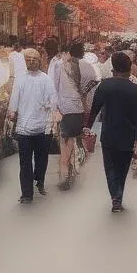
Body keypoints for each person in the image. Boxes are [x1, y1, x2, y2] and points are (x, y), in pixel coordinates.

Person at [86, 52, 137, 212]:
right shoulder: (135, 89)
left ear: (113, 68)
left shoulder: (104, 86)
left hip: (109, 135)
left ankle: (116, 197)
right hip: (128, 136)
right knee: (122, 169)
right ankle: (118, 196)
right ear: (129, 69)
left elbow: (94, 110)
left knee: (110, 168)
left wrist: (87, 127)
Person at [8, 47, 56, 203]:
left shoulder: (46, 79)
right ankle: (26, 193)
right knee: (25, 162)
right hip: (24, 128)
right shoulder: (20, 79)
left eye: (34, 59)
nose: (31, 61)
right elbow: (14, 101)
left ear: (40, 60)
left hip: (43, 127)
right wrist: (11, 114)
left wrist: (51, 117)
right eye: (28, 59)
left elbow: (53, 100)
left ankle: (40, 181)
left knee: (42, 159)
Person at [54, 41, 90, 190]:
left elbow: (54, 87)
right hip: (78, 109)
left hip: (65, 108)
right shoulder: (85, 66)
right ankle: (71, 170)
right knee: (73, 140)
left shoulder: (59, 65)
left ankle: (64, 175)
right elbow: (88, 86)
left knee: (64, 143)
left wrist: (55, 108)